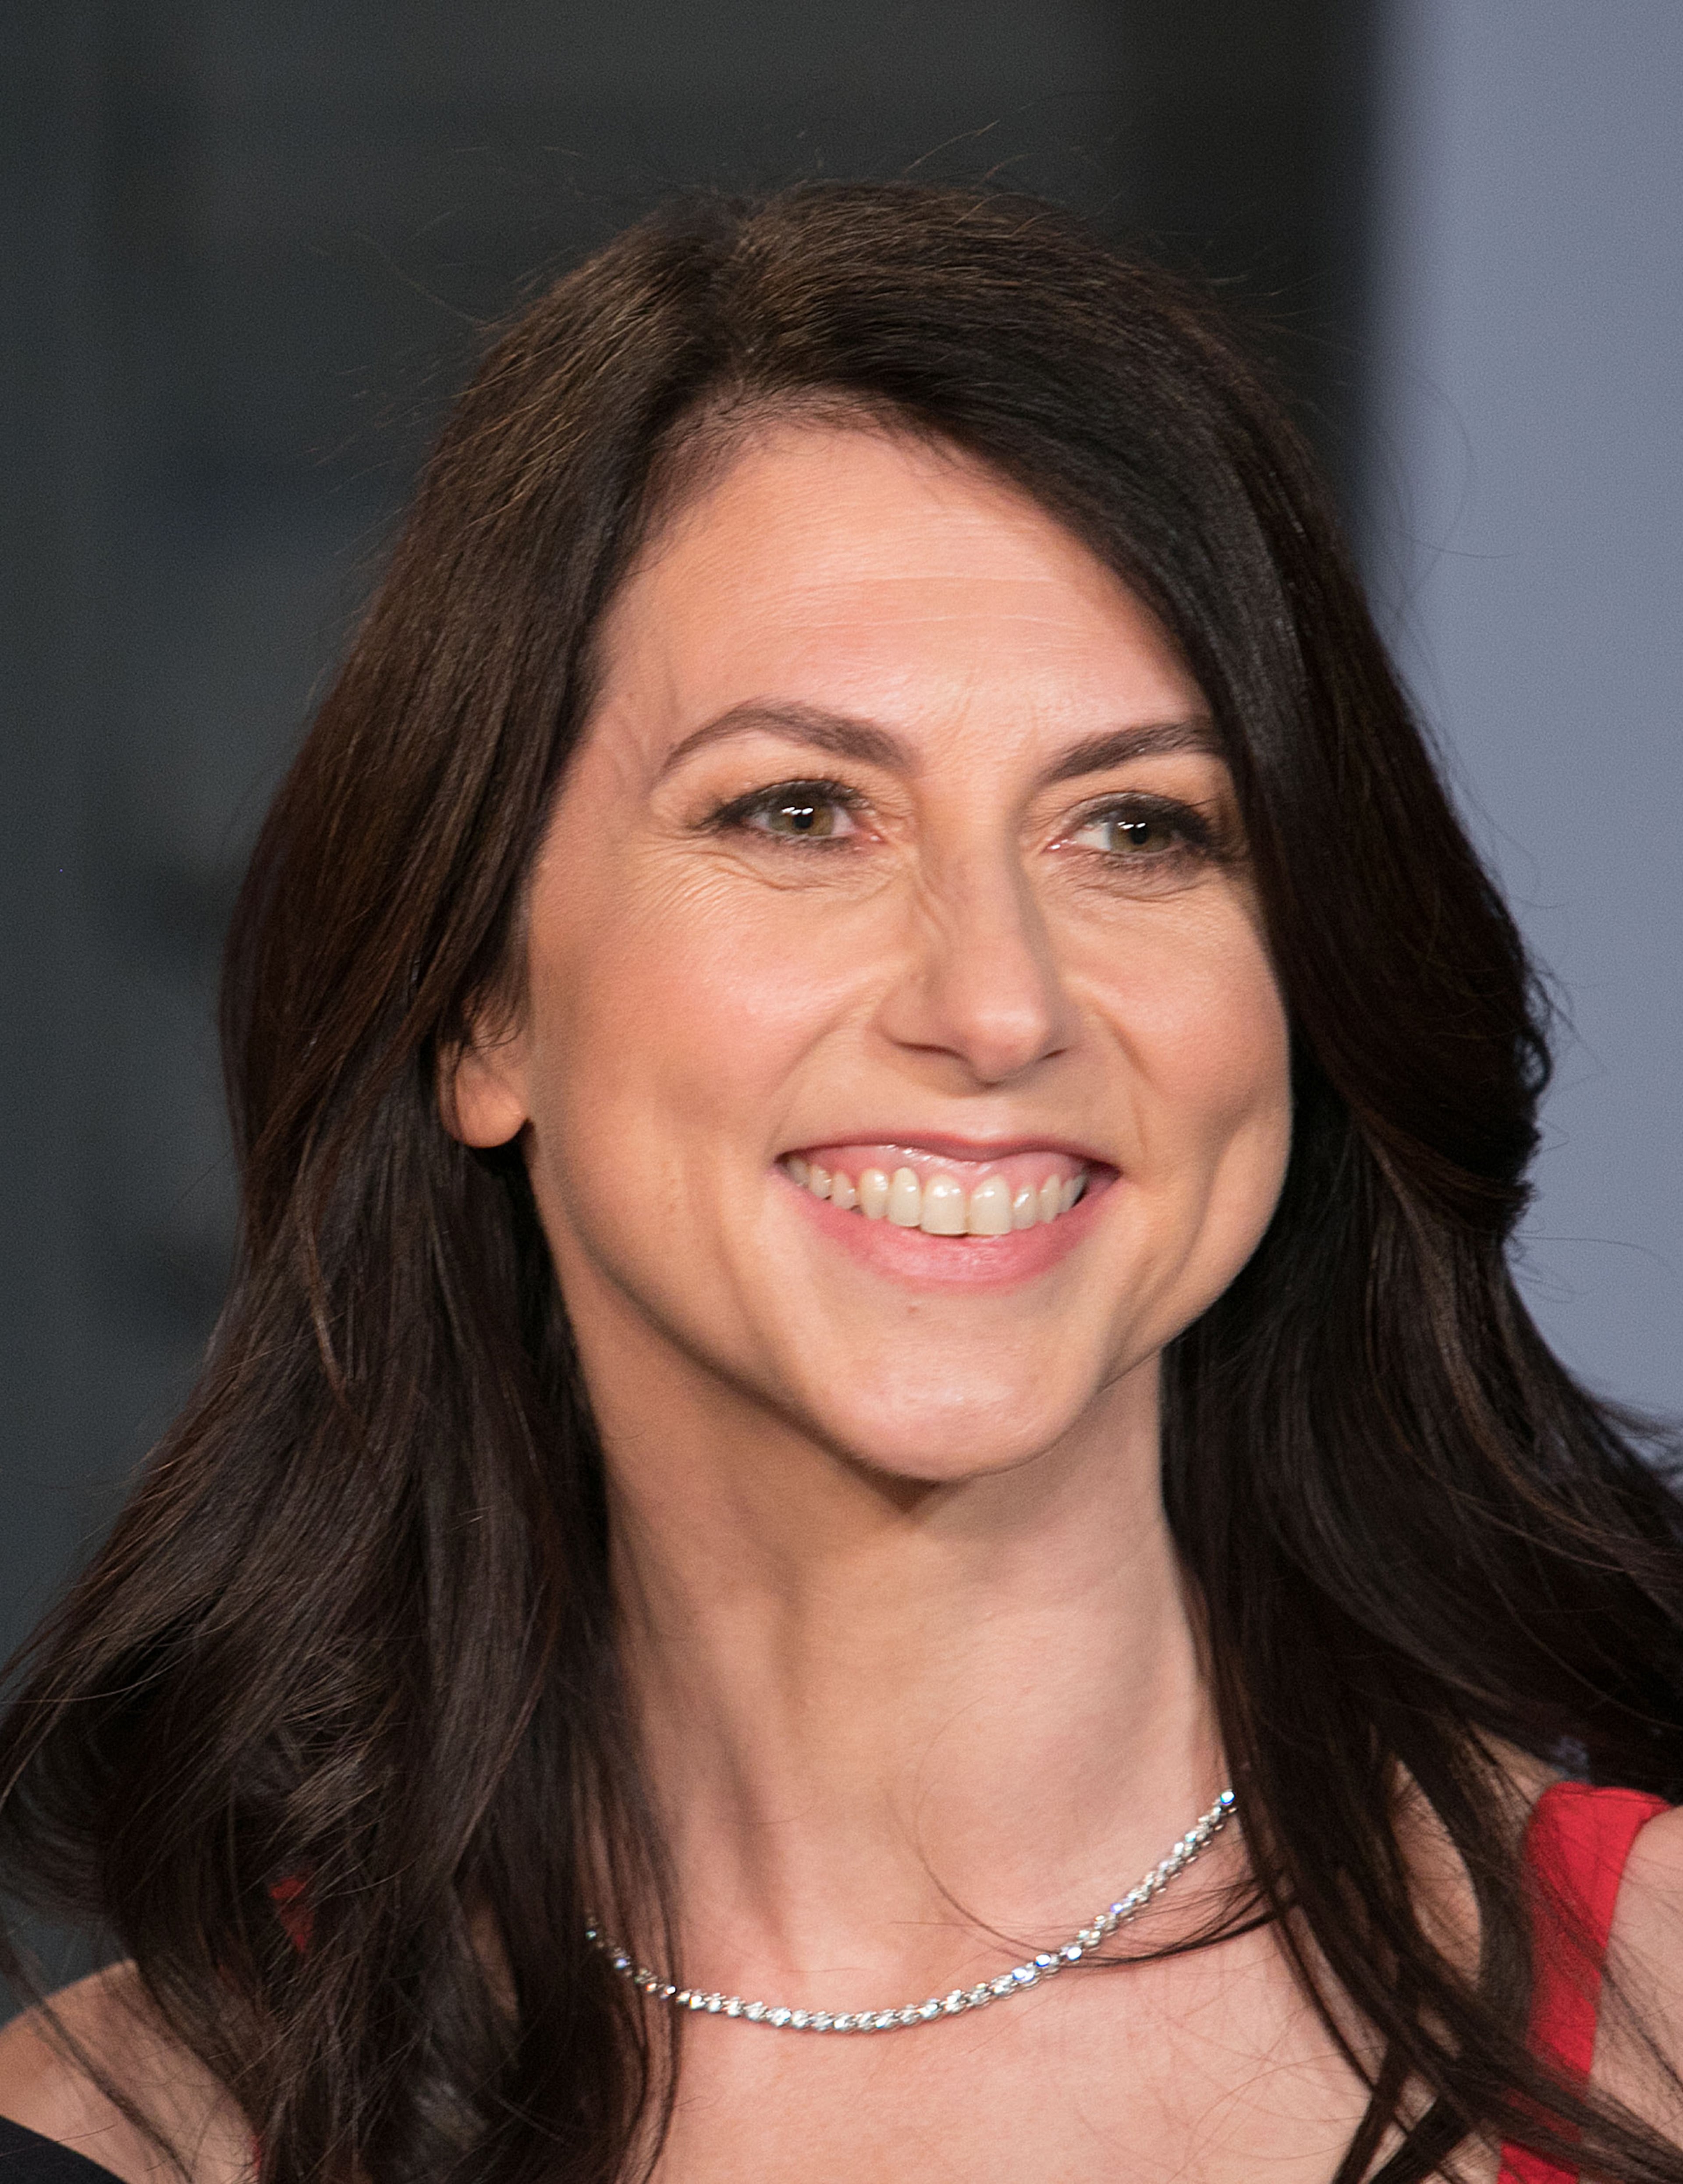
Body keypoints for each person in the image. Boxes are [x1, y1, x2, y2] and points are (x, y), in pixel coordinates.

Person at [1, 181, 1681, 2184]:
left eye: (1140, 827)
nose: (996, 1001)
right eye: (802, 811)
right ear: (479, 1005)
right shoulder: (131, 2138)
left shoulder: (1657, 2021)